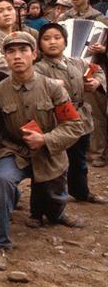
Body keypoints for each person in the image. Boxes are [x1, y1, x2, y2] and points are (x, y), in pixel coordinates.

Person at [0, 31, 85, 271]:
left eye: (23, 50)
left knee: (55, 197)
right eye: (11, 52)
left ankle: (57, 213)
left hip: (48, 152)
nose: (17, 56)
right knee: (3, 182)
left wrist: (46, 139)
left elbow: (74, 125)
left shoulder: (53, 88)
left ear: (34, 54)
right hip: (14, 152)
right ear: (5, 57)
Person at [35, 23, 107, 204]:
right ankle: (52, 201)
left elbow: (97, 70)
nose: (52, 42)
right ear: (39, 45)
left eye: (57, 38)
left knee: (79, 160)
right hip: (55, 120)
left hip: (80, 118)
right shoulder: (38, 69)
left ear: (65, 42)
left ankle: (81, 192)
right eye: (46, 38)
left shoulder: (78, 62)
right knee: (55, 161)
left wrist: (96, 82)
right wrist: (50, 85)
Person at [56, 0, 108, 167]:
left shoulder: (100, 19)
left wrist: (103, 49)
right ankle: (71, 151)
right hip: (66, 70)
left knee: (95, 112)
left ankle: (97, 153)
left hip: (91, 69)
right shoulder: (63, 19)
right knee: (66, 110)